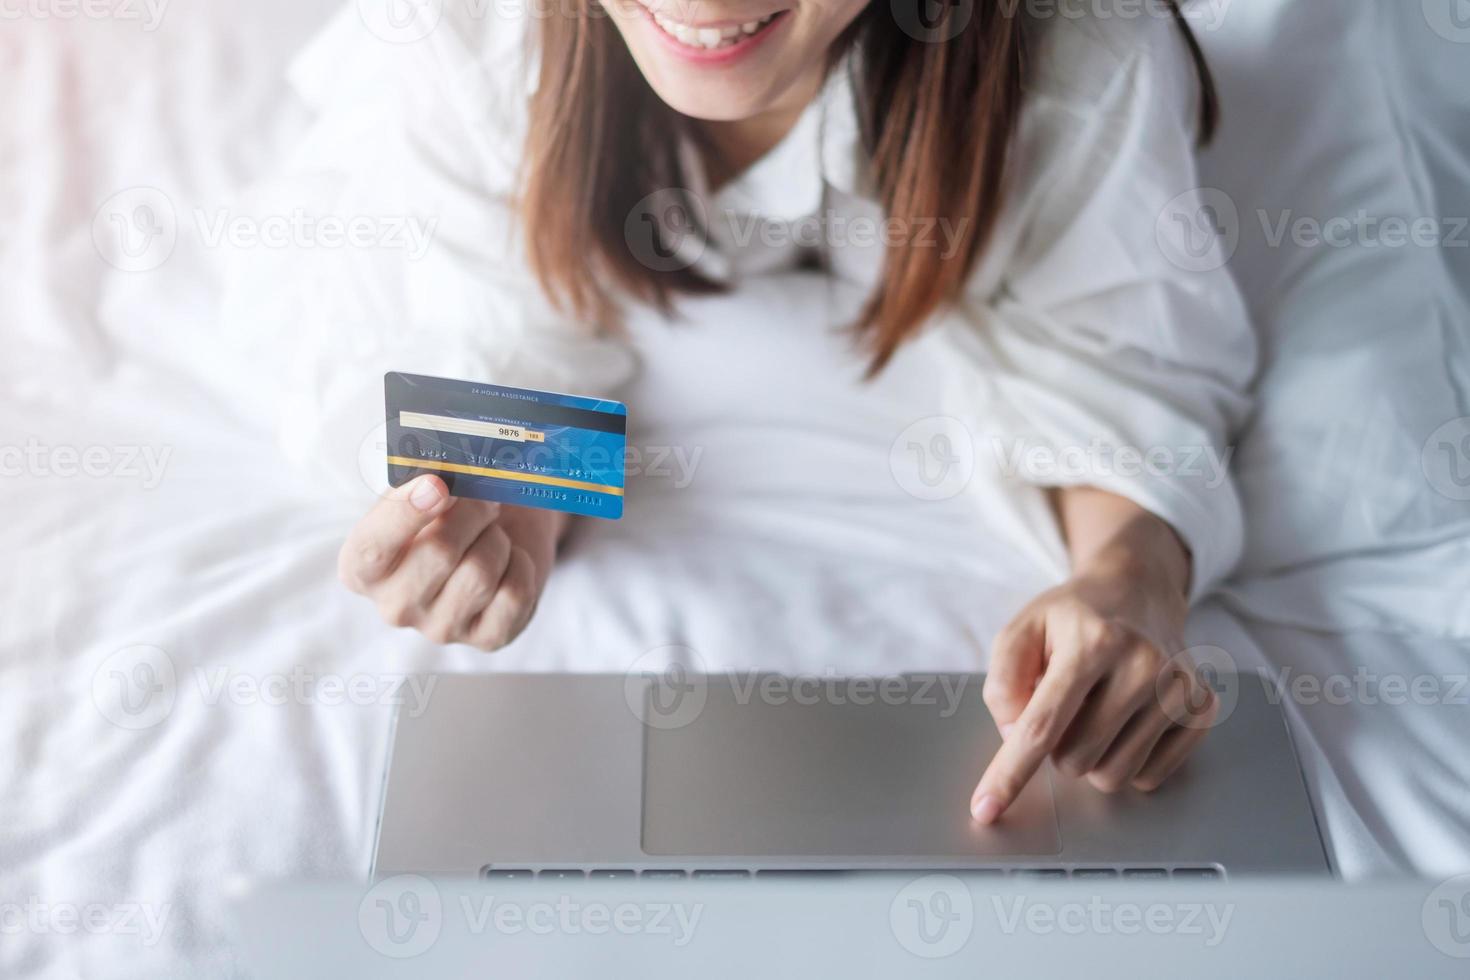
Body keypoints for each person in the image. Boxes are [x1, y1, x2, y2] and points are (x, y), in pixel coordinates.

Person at [265, 0, 1256, 824]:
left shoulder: (1079, 51)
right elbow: (507, 321)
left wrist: (1129, 581)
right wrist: (513, 504)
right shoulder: (471, 34)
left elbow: (1127, 369)